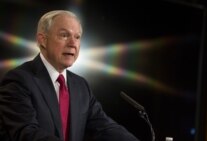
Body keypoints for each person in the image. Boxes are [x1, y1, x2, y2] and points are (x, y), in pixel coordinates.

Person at [0, 10, 139, 141]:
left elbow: (104, 127)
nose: (73, 43)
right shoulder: (19, 80)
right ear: (43, 40)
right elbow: (26, 133)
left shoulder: (80, 85)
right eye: (64, 35)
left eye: (77, 37)